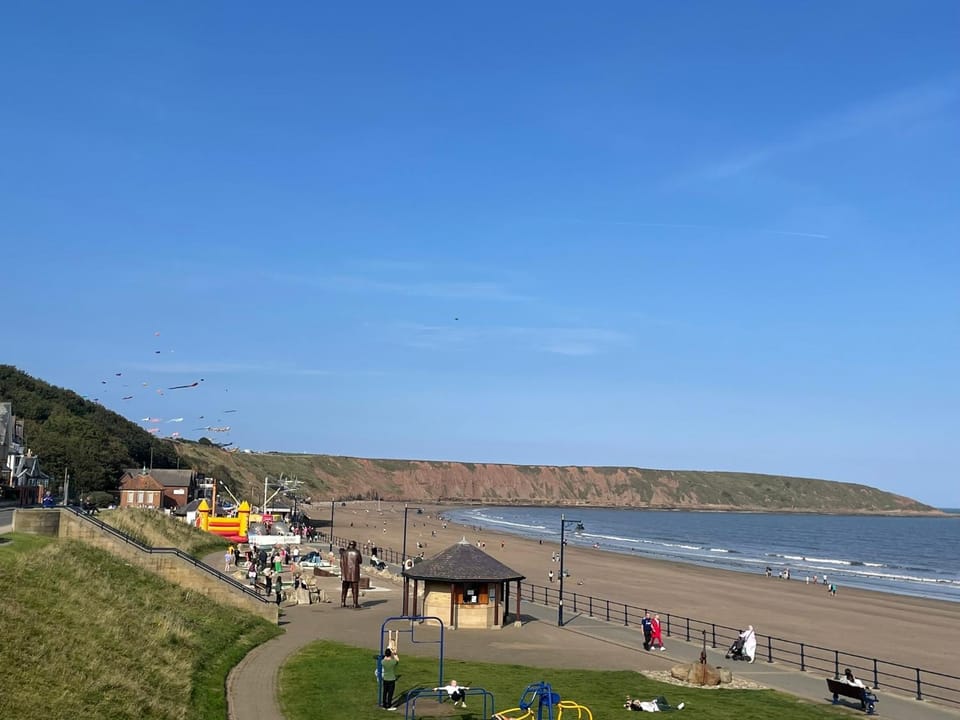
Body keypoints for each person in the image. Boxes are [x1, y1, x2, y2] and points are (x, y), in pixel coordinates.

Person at [340, 540, 362, 608]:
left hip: (345, 573)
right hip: (354, 573)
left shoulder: (344, 552)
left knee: (344, 589)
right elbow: (360, 561)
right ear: (354, 545)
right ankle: (355, 603)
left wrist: (342, 572)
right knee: (355, 589)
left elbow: (341, 563)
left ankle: (343, 602)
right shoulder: (357, 552)